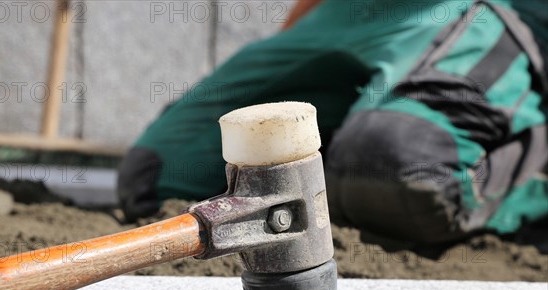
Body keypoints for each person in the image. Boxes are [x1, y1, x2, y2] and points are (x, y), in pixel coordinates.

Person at [118, 0, 547, 245]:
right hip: (351, 12)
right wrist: (296, 48)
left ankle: (533, 184)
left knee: (398, 174)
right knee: (157, 176)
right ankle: (361, 142)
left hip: (496, 13)